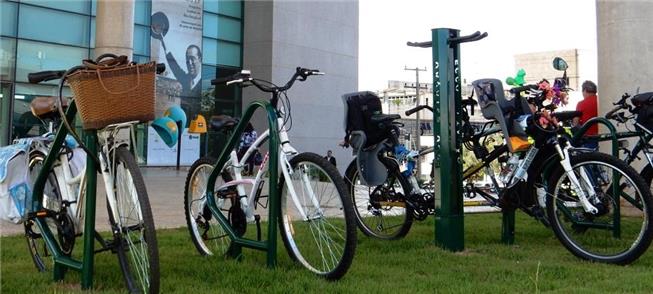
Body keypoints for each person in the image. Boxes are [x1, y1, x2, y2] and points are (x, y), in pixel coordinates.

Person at [573, 80, 599, 149]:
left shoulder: (581, 104)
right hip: (603, 136)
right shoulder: (601, 100)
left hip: (589, 138)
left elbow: (575, 123)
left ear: (584, 90)